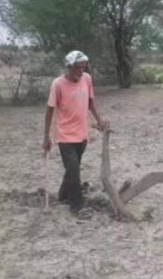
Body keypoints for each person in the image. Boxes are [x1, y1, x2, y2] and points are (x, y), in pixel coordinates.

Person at [42, 50, 109, 218]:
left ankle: (63, 194)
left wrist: (99, 120)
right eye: (78, 67)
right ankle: (76, 206)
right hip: (65, 136)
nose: (81, 71)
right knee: (73, 171)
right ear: (69, 67)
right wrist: (46, 137)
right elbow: (49, 111)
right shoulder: (58, 84)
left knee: (73, 169)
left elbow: (90, 102)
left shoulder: (87, 79)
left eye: (83, 67)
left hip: (82, 134)